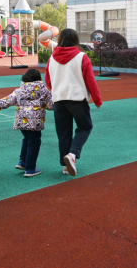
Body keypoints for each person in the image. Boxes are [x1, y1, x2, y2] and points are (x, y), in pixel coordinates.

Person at [45, 29, 102, 177]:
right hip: (77, 99)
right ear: (76, 39)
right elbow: (90, 80)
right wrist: (97, 99)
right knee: (85, 127)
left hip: (59, 99)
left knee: (63, 133)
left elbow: (48, 80)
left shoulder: (52, 58)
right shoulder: (81, 56)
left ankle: (66, 166)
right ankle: (72, 154)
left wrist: (57, 90)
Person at [0, 69, 54, 178]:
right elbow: (50, 105)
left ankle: (22, 161)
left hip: (21, 121)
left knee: (27, 139)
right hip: (35, 122)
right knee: (34, 142)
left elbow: (7, 100)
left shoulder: (19, 91)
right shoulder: (44, 91)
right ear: (39, 79)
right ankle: (30, 169)